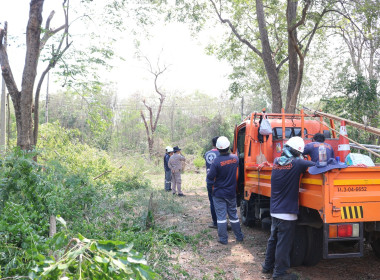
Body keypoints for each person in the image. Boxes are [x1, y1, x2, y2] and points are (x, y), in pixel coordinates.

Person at [262, 136, 315, 280]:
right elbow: (316, 164)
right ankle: (279, 274)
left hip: (275, 209)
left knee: (273, 239)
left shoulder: (276, 162)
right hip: (287, 212)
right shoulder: (298, 163)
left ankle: (267, 266)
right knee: (283, 244)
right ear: (299, 152)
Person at [207, 136, 244, 244]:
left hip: (218, 193)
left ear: (217, 148)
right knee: (234, 215)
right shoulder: (235, 159)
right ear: (228, 147)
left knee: (221, 217)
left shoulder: (216, 162)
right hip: (231, 193)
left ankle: (223, 239)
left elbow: (210, 177)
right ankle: (239, 236)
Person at [204, 136, 219, 229]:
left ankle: (215, 222)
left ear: (212, 144)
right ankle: (222, 221)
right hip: (220, 181)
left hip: (210, 181)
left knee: (212, 202)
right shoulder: (222, 153)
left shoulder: (207, 153)